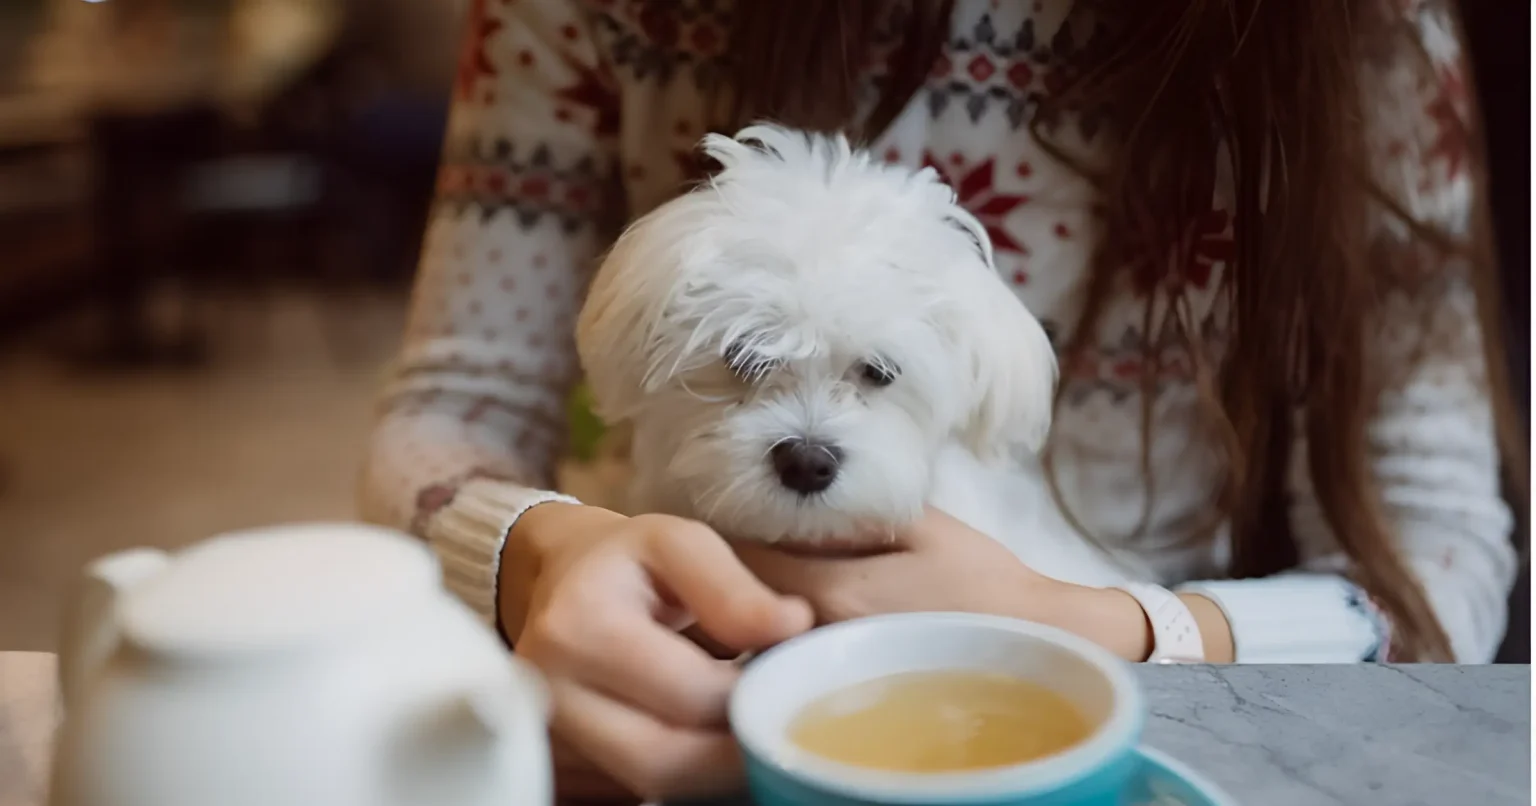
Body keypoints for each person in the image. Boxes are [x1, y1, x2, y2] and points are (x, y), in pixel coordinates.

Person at [361, 0, 1524, 800]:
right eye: (752, 364)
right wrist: (534, 555)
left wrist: (1112, 626)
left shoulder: (1362, 34)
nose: (810, 436)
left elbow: (1437, 569)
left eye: (872, 376)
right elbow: (457, 400)